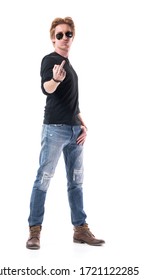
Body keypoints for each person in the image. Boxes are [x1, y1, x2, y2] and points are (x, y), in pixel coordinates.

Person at [26, 17, 105, 249]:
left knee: (76, 182)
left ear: (73, 37)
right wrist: (54, 80)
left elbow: (72, 102)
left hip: (74, 132)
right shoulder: (50, 61)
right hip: (54, 130)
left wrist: (82, 124)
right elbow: (46, 88)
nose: (64, 38)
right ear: (53, 38)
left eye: (68, 34)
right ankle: (34, 231)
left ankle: (80, 230)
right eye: (59, 35)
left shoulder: (70, 66)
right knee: (43, 180)